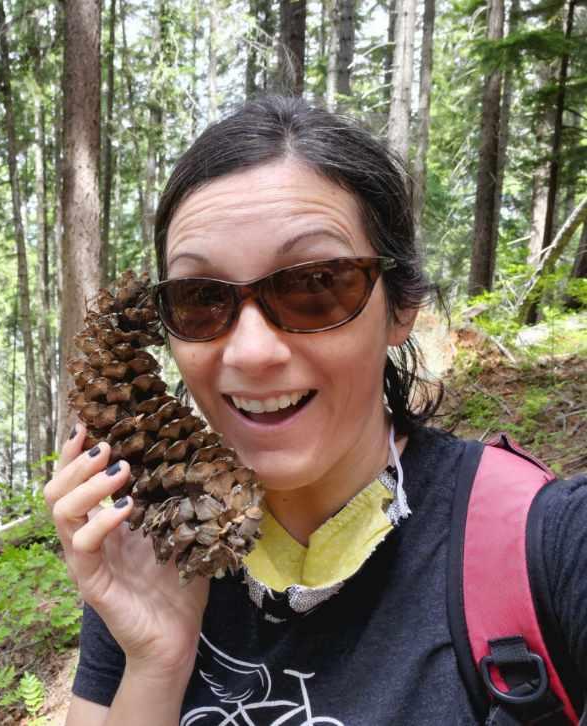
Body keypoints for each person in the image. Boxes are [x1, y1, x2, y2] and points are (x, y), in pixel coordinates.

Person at [44, 96, 587, 725]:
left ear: (401, 306)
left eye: (315, 285)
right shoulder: (157, 549)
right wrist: (156, 662)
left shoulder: (546, 548)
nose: (250, 352)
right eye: (200, 298)